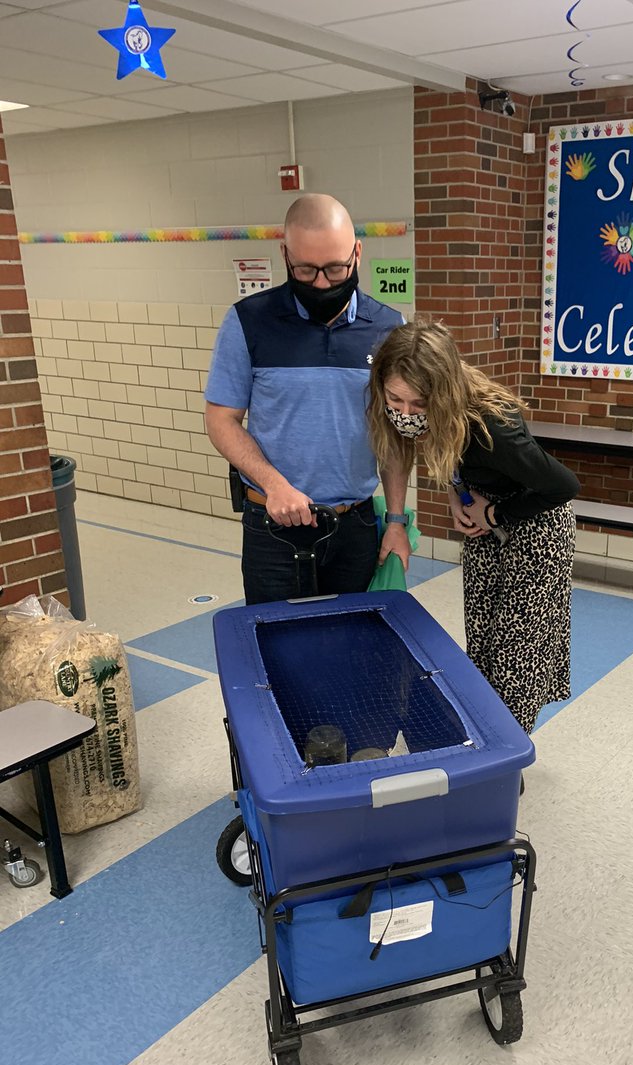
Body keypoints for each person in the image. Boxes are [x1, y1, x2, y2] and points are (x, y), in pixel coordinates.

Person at [368, 320, 580, 734]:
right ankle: (484, 733)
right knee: (483, 642)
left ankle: (507, 752)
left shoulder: (491, 428)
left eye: (418, 403)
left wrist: (493, 516)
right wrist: (457, 498)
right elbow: (449, 457)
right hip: (486, 529)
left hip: (537, 528)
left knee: (516, 652)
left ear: (442, 394)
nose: (405, 413)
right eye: (396, 399)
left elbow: (563, 486)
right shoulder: (428, 415)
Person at [205, 194, 411, 605]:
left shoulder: (389, 328)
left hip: (354, 526)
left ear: (357, 253)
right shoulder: (248, 321)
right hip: (273, 527)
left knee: (353, 649)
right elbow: (221, 421)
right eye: (305, 269)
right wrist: (275, 485)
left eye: (335, 269)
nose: (321, 284)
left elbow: (395, 433)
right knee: (278, 654)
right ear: (285, 255)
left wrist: (396, 520)